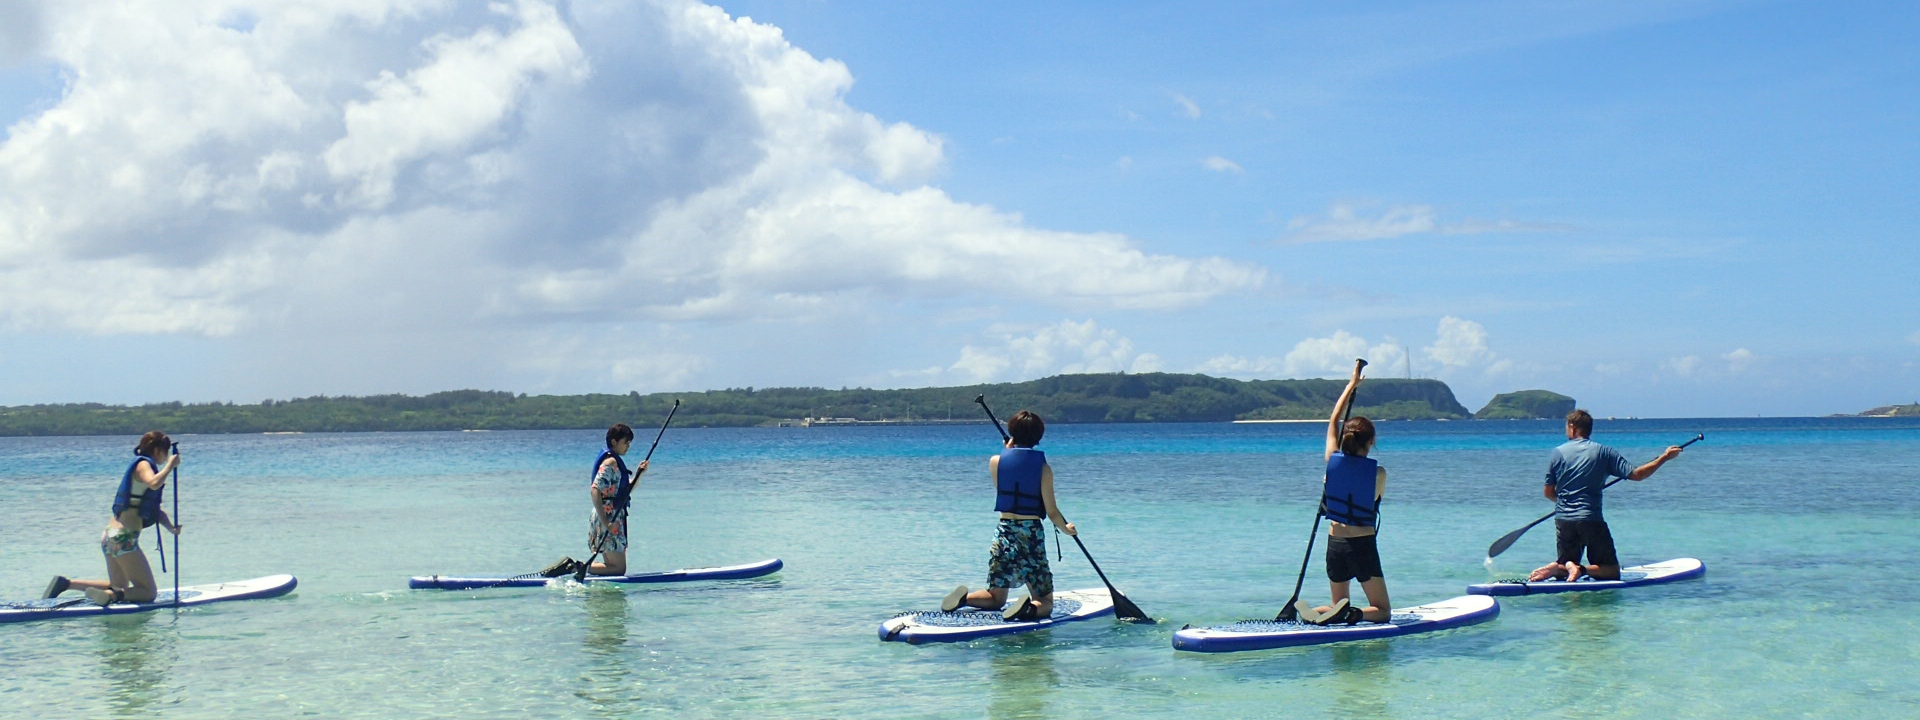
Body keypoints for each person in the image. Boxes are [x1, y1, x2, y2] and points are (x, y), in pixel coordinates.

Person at [941, 410, 1077, 621]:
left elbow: (1005, 486)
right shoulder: (1044, 469)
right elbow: (1051, 511)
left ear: (1012, 434)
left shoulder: (995, 462)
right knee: (1045, 602)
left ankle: (965, 599)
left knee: (996, 598)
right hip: (1030, 534)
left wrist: (1009, 452)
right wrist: (1066, 529)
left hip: (1004, 531)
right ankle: (1029, 609)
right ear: (1039, 437)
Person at [1527, 409, 1684, 582]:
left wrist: (1565, 502)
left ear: (1572, 427)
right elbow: (1637, 475)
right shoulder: (1604, 452)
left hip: (1563, 521)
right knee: (1611, 571)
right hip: (1590, 519)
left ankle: (1559, 567)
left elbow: (1548, 492)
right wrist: (1665, 457)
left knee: (1566, 571)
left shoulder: (1557, 453)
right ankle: (1579, 569)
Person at [1294, 364, 1391, 626]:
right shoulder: (1378, 473)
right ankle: (1353, 614)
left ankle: (1317, 611)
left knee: (1336, 603)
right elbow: (1371, 502)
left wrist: (1351, 385)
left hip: (1335, 544)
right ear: (1370, 442)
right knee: (1381, 611)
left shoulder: (1330, 461)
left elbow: (1333, 421)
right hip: (1361, 546)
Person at [42, 431, 183, 605]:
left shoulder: (144, 467)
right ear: (157, 450)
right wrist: (169, 466)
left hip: (110, 535)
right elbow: (154, 483)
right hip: (124, 538)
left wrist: (171, 527)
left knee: (119, 585)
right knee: (148, 592)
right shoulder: (144, 465)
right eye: (166, 452)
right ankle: (110, 597)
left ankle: (66, 584)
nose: (166, 456)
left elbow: (154, 509)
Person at [544, 424, 649, 578]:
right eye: (626, 442)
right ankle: (574, 567)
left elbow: (624, 492)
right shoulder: (610, 463)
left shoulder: (614, 462)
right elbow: (595, 490)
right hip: (607, 517)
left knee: (613, 568)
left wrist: (640, 473)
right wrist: (606, 521)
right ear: (614, 442)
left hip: (610, 516)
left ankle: (583, 575)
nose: (628, 446)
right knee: (619, 569)